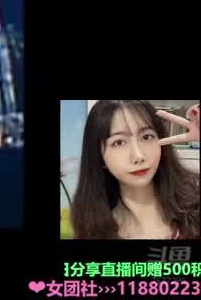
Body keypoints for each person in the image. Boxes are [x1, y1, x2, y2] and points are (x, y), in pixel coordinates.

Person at [70, 100, 200, 240]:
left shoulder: (196, 201)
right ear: (99, 155)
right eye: (119, 142)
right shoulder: (92, 231)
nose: (138, 156)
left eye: (146, 137)